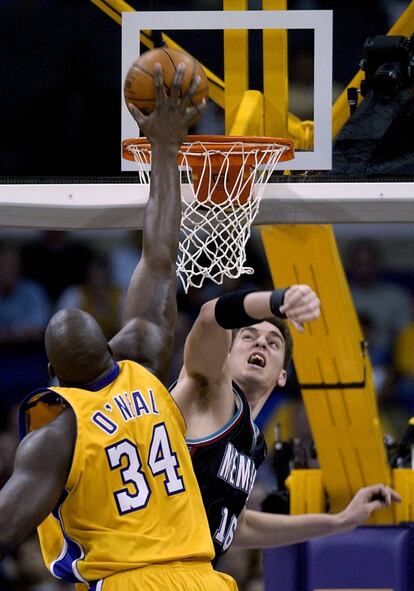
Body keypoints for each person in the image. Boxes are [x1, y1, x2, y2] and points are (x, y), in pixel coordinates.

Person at [0, 65, 237, 591]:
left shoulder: (58, 435)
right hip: (204, 577)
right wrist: (167, 145)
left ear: (52, 375)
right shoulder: (144, 363)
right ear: (112, 349)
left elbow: (5, 528)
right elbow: (159, 257)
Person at [170, 287, 401, 563]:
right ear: (226, 357)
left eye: (273, 342)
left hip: (190, 570)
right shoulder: (205, 391)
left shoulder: (253, 441)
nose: (261, 344)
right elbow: (211, 315)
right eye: (248, 336)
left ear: (282, 376)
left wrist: (339, 522)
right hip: (151, 566)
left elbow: (240, 527)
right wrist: (277, 301)